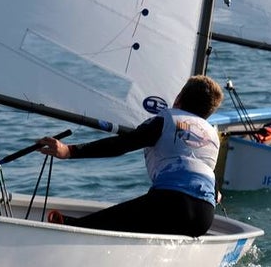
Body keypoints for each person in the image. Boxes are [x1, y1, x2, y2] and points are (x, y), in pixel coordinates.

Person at [36, 74, 223, 237]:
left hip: (170, 205)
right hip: (204, 216)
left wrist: (69, 151)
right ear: (208, 112)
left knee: (86, 226)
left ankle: (66, 230)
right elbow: (202, 175)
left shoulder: (166, 120)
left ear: (178, 98)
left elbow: (121, 144)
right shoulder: (212, 136)